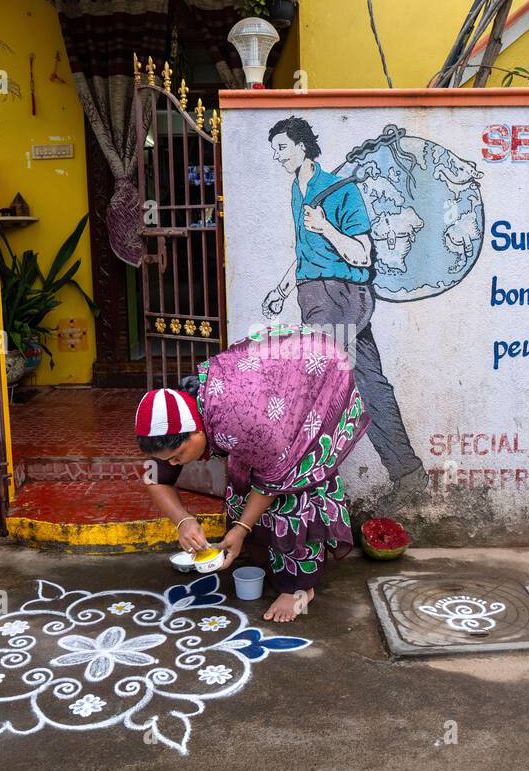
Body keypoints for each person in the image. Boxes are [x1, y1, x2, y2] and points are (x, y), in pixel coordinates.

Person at [137, 326, 368, 623]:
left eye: (179, 457)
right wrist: (183, 520)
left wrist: (242, 528)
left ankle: (300, 586)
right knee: (242, 473)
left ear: (196, 432)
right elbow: (153, 475)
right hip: (269, 386)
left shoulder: (242, 422)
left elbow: (273, 476)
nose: (177, 463)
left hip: (321, 369)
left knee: (293, 481)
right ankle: (263, 550)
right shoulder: (171, 417)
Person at [260, 115, 427, 506]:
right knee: (368, 385)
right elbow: (305, 250)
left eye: (282, 148)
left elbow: (362, 252)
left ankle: (307, 484)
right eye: (274, 150)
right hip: (316, 297)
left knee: (318, 388)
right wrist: (283, 289)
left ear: (303, 147)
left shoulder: (341, 191)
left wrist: (325, 228)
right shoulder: (296, 188)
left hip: (338, 301)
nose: (277, 156)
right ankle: (409, 474)